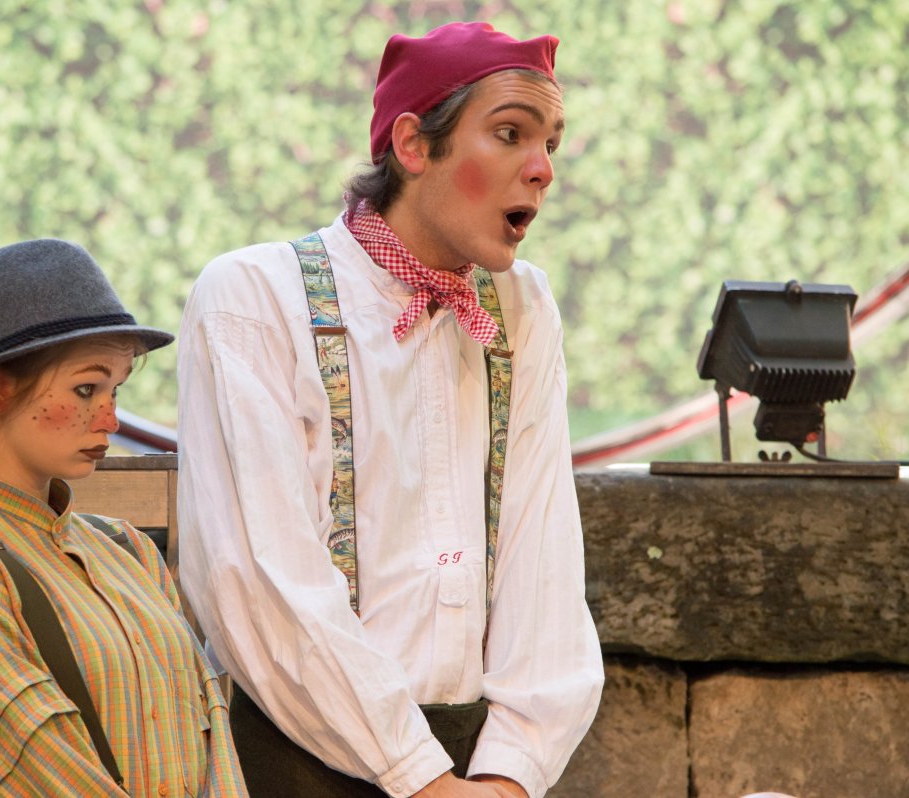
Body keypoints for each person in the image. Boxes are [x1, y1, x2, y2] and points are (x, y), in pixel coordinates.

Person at [176, 21, 602, 798]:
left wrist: (509, 775)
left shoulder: (520, 308)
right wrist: (422, 779)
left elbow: (543, 557)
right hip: (293, 763)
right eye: (510, 134)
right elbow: (258, 577)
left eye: (551, 143)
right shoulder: (255, 299)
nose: (542, 168)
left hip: (475, 768)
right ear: (412, 144)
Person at [0, 239, 247, 796]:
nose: (110, 419)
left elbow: (214, 736)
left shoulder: (129, 551)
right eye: (85, 389)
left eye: (114, 390)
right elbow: (34, 776)